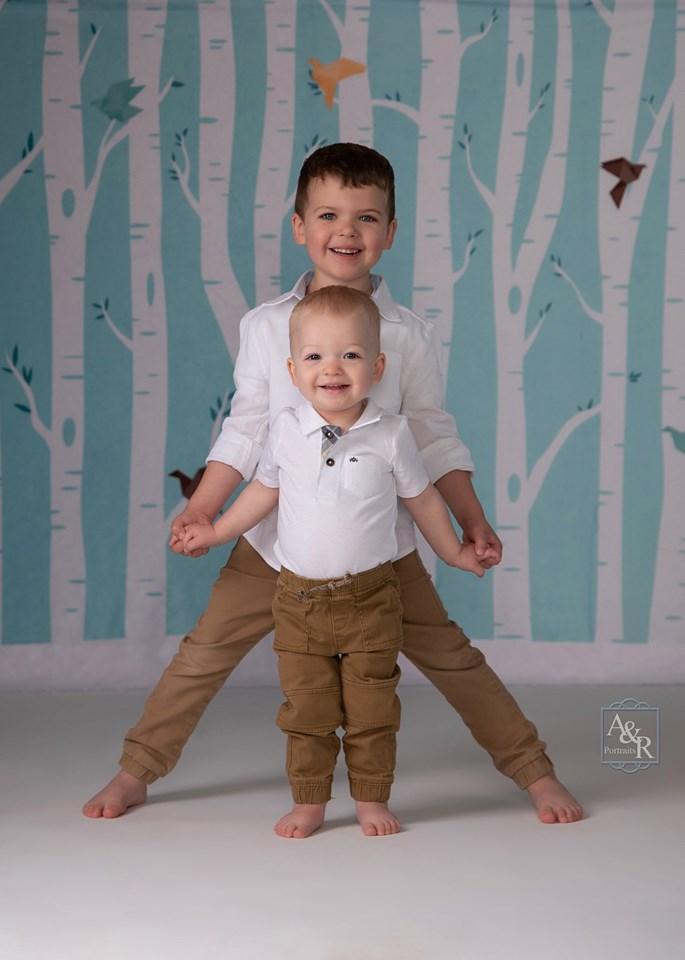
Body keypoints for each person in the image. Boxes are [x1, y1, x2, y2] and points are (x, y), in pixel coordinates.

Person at [83, 142, 583, 825]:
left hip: (379, 551)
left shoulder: (407, 335)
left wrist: (471, 519)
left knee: (453, 660)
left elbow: (432, 436)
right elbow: (246, 430)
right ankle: (137, 769)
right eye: (328, 214)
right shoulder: (264, 327)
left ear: (389, 232)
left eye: (366, 217)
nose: (346, 232)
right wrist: (202, 509)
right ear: (299, 226)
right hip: (274, 545)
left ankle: (535, 773)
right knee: (202, 655)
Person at [182, 285, 486, 837]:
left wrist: (456, 553)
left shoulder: (391, 435)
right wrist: (215, 529)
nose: (334, 369)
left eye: (351, 354)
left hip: (371, 596)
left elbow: (423, 503)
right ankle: (310, 802)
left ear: (378, 365)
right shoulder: (285, 431)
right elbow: (260, 494)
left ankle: (372, 798)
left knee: (372, 708)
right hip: (298, 600)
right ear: (294, 369)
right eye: (317, 357)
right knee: (308, 710)